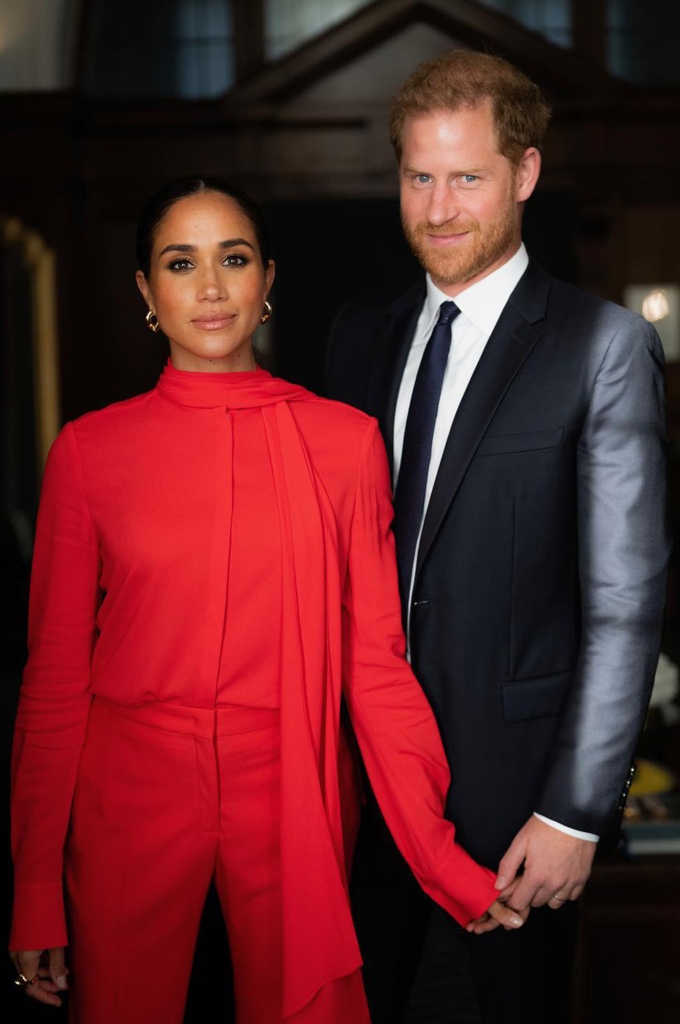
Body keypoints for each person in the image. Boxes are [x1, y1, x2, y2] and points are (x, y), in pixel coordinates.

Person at [8, 176, 524, 1024]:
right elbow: (56, 680)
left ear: (267, 279)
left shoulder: (345, 445)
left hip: (291, 778)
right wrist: (33, 888)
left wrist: (439, 858)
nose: (210, 288)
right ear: (146, 290)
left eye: (233, 259)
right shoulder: (88, 453)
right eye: (181, 263)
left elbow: (376, 668)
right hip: (128, 792)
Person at [326, 50, 670, 1024]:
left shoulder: (601, 347)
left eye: (466, 177)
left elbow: (622, 605)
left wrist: (571, 812)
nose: (437, 208)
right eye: (417, 176)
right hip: (360, 806)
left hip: (519, 815)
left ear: (521, 174)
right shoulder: (356, 338)